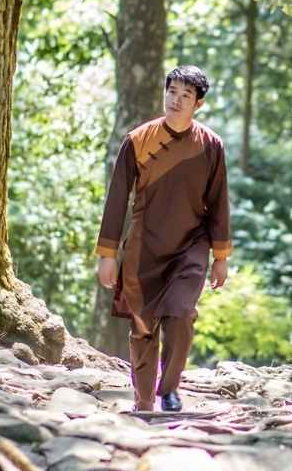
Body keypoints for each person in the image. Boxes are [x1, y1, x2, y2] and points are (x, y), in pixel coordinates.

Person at [95, 65, 231, 413]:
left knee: (181, 314)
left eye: (186, 95)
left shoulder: (211, 145)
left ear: (198, 104)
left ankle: (169, 389)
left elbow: (218, 202)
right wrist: (108, 254)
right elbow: (116, 199)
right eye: (172, 92)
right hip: (144, 246)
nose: (176, 100)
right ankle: (143, 403)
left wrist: (220, 256)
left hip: (191, 245)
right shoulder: (137, 140)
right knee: (142, 326)